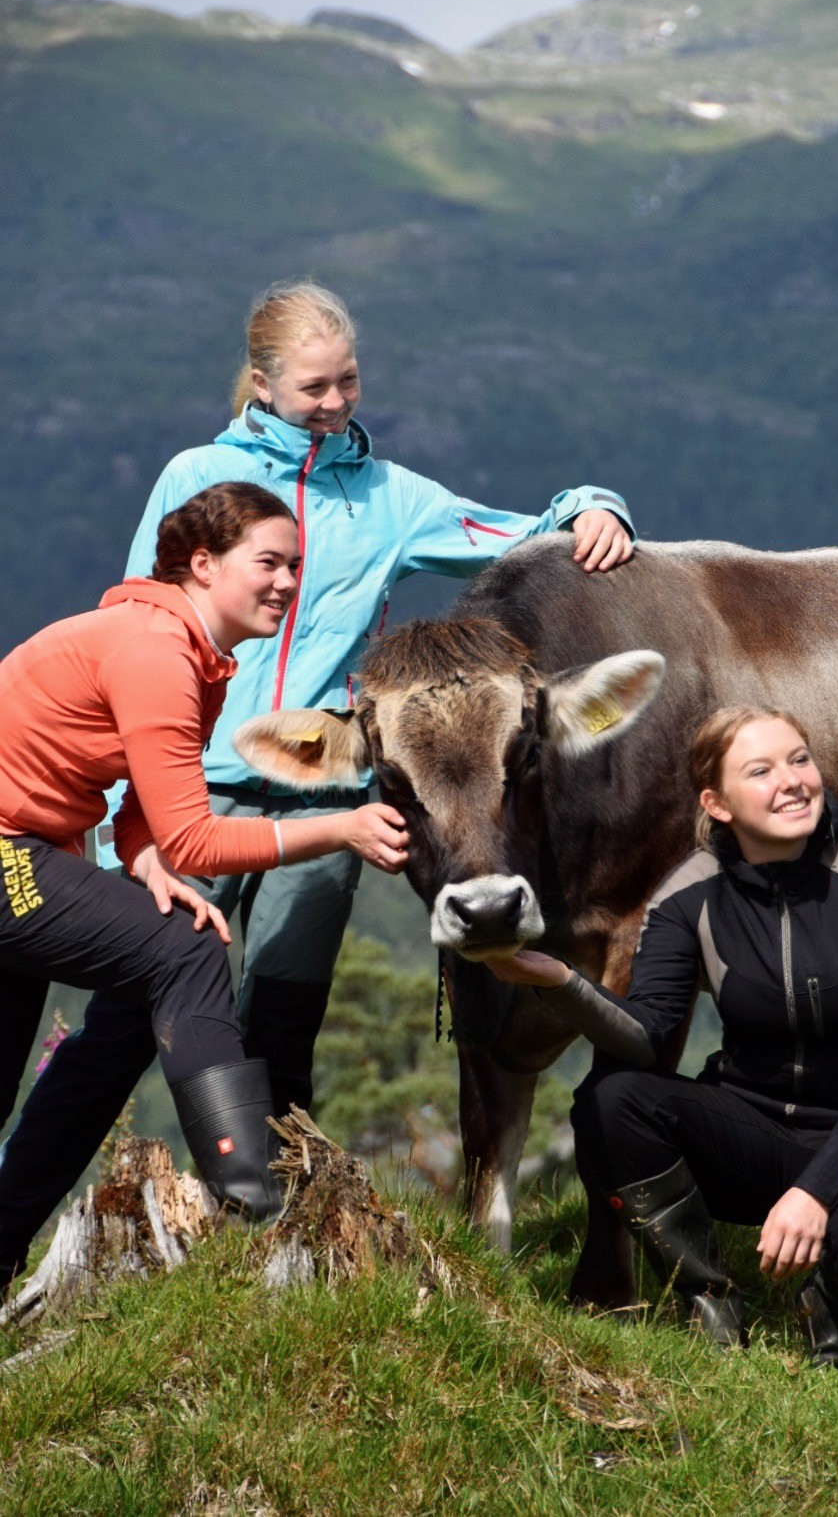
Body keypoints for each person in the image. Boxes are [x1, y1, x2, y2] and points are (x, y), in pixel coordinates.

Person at [0, 280, 633, 1276]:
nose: (336, 403)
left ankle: (269, 1257)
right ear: (260, 383)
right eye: (313, 386)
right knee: (127, 1027)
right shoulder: (196, 478)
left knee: (283, 1026)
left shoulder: (390, 498)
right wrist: (126, 827)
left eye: (349, 381)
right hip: (187, 795)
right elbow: (134, 629)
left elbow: (517, 533)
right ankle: (13, 1233)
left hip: (324, 795)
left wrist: (592, 507)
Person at [0, 482, 412, 1283]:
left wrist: (146, 860)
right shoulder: (158, 654)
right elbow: (196, 836)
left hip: (27, 850)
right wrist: (341, 826)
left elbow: (143, 812)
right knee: (185, 950)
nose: (287, 583)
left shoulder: (186, 652)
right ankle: (252, 1194)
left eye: (295, 566)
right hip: (13, 850)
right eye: (268, 563)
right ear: (203, 565)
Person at [487, 706, 838, 1374]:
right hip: (748, 1129)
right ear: (717, 804)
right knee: (610, 1102)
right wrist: (559, 982)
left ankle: (835, 1312)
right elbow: (647, 1035)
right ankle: (709, 1301)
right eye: (761, 771)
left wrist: (816, 1191)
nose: (792, 781)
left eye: (799, 760)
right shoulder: (688, 893)